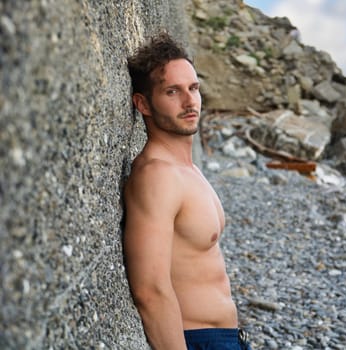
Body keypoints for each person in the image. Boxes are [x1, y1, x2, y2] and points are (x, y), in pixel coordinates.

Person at [124, 32, 251, 350]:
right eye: (172, 91)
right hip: (197, 340)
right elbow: (150, 290)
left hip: (225, 338)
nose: (189, 100)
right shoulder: (157, 176)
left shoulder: (188, 171)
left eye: (193, 88)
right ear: (143, 104)